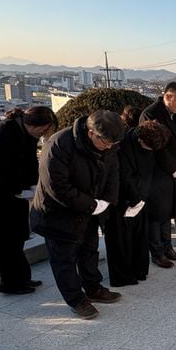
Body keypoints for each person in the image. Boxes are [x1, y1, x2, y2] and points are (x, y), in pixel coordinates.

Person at [30, 110, 125, 319]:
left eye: (113, 144)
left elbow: (113, 172)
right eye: (106, 143)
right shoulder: (59, 145)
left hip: (91, 208)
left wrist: (107, 201)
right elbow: (57, 187)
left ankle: (93, 287)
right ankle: (76, 299)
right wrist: (91, 205)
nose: (109, 147)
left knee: (89, 250)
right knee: (64, 259)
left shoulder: (108, 144)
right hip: (58, 213)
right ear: (91, 133)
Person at [0, 106, 57, 295]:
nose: (42, 134)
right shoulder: (1, 134)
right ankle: (8, 284)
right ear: (31, 124)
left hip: (15, 197)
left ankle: (22, 278)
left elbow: (30, 164)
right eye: (42, 129)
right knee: (1, 244)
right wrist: (20, 189)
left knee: (16, 240)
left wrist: (33, 186)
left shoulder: (25, 134)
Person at [105, 120, 170, 287]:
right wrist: (134, 199)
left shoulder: (151, 143)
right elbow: (122, 176)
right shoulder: (122, 145)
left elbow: (150, 170)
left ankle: (139, 271)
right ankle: (122, 276)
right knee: (120, 240)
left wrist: (143, 197)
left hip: (142, 198)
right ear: (141, 140)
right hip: (122, 199)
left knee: (140, 237)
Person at [140, 82, 176, 268]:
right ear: (168, 96)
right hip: (157, 172)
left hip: (175, 171)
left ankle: (168, 247)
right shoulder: (151, 113)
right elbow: (157, 146)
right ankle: (157, 252)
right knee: (156, 214)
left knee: (168, 212)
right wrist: (172, 167)